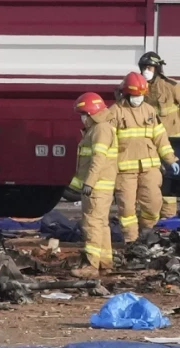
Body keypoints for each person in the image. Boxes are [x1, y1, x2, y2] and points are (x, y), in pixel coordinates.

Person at [110, 71, 177, 243]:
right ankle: (131, 242)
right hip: (124, 171)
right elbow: (106, 142)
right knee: (127, 211)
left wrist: (170, 158)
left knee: (154, 204)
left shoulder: (149, 111)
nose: (138, 98)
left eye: (141, 95)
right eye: (135, 95)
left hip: (149, 169)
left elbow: (160, 137)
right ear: (126, 93)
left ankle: (147, 234)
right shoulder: (115, 112)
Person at [138, 52, 180, 220]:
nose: (146, 71)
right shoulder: (139, 86)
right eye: (143, 68)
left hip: (170, 140)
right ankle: (149, 217)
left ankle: (168, 218)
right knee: (149, 181)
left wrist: (179, 119)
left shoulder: (170, 86)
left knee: (168, 181)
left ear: (157, 69)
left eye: (149, 67)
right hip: (147, 142)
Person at [69, 92, 118, 279]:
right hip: (102, 185)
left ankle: (91, 265)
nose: (82, 119)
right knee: (101, 224)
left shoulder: (100, 130)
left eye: (83, 114)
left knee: (92, 224)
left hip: (97, 187)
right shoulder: (101, 128)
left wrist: (89, 182)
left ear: (91, 114)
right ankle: (105, 263)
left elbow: (98, 160)